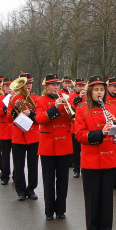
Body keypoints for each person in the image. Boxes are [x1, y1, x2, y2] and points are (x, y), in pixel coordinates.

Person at [75, 76, 116, 230]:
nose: (99, 92)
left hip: (109, 158)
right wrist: (100, 133)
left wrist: (115, 123)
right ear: (90, 92)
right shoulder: (81, 110)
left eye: (102, 89)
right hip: (91, 161)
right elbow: (79, 135)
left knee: (107, 200)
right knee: (93, 200)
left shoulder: (112, 108)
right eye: (96, 90)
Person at [34, 74, 73, 221]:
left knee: (63, 179)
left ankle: (61, 209)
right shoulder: (40, 101)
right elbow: (39, 119)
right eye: (53, 85)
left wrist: (69, 105)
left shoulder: (66, 97)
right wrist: (55, 107)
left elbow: (74, 116)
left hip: (64, 144)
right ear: (46, 87)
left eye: (57, 84)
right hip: (48, 146)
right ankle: (49, 211)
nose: (56, 87)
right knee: (48, 179)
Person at [9, 73, 40, 201]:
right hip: (18, 136)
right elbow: (9, 116)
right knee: (18, 165)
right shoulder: (13, 99)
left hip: (33, 135)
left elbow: (39, 118)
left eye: (29, 84)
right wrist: (15, 108)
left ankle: (31, 188)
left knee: (33, 164)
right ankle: (20, 190)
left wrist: (30, 113)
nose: (28, 86)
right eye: (25, 84)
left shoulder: (36, 99)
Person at [0, 78, 14, 185]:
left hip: (15, 130)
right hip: (5, 131)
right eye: (6, 86)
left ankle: (16, 175)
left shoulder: (16, 98)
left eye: (10, 86)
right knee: (5, 155)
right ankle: (5, 176)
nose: (8, 88)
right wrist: (5, 108)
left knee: (17, 157)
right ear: (3, 88)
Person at [68, 78, 87, 179]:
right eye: (79, 86)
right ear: (75, 87)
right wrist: (79, 97)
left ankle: (84, 168)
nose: (81, 88)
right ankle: (76, 170)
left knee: (84, 150)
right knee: (76, 151)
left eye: (83, 86)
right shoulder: (72, 96)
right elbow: (71, 108)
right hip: (75, 127)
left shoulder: (88, 96)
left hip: (86, 126)